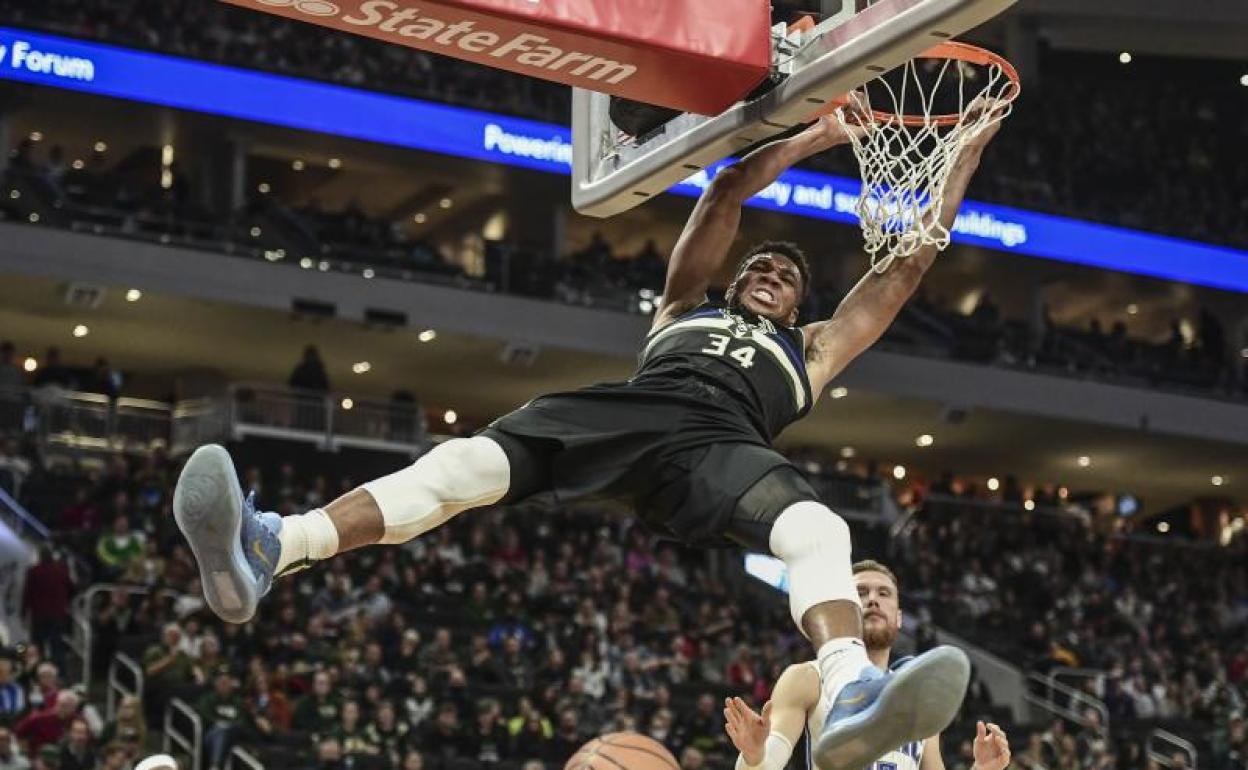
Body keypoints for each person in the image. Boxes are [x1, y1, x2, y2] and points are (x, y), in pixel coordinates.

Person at [174, 106, 1006, 770]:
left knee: (821, 529)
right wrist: (815, 133)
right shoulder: (684, 309)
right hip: (634, 410)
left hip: (723, 445)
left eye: (785, 276)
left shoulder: (813, 351)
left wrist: (963, 152)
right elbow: (722, 197)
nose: (768, 273)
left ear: (799, 307)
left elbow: (904, 268)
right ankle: (273, 548)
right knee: (465, 463)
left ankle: (852, 693)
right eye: (759, 267)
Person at [723, 560, 1013, 770]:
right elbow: (769, 760)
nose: (873, 600)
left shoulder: (919, 689)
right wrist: (754, 755)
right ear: (845, 611)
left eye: (883, 593)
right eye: (861, 593)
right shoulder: (808, 677)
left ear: (899, 617)